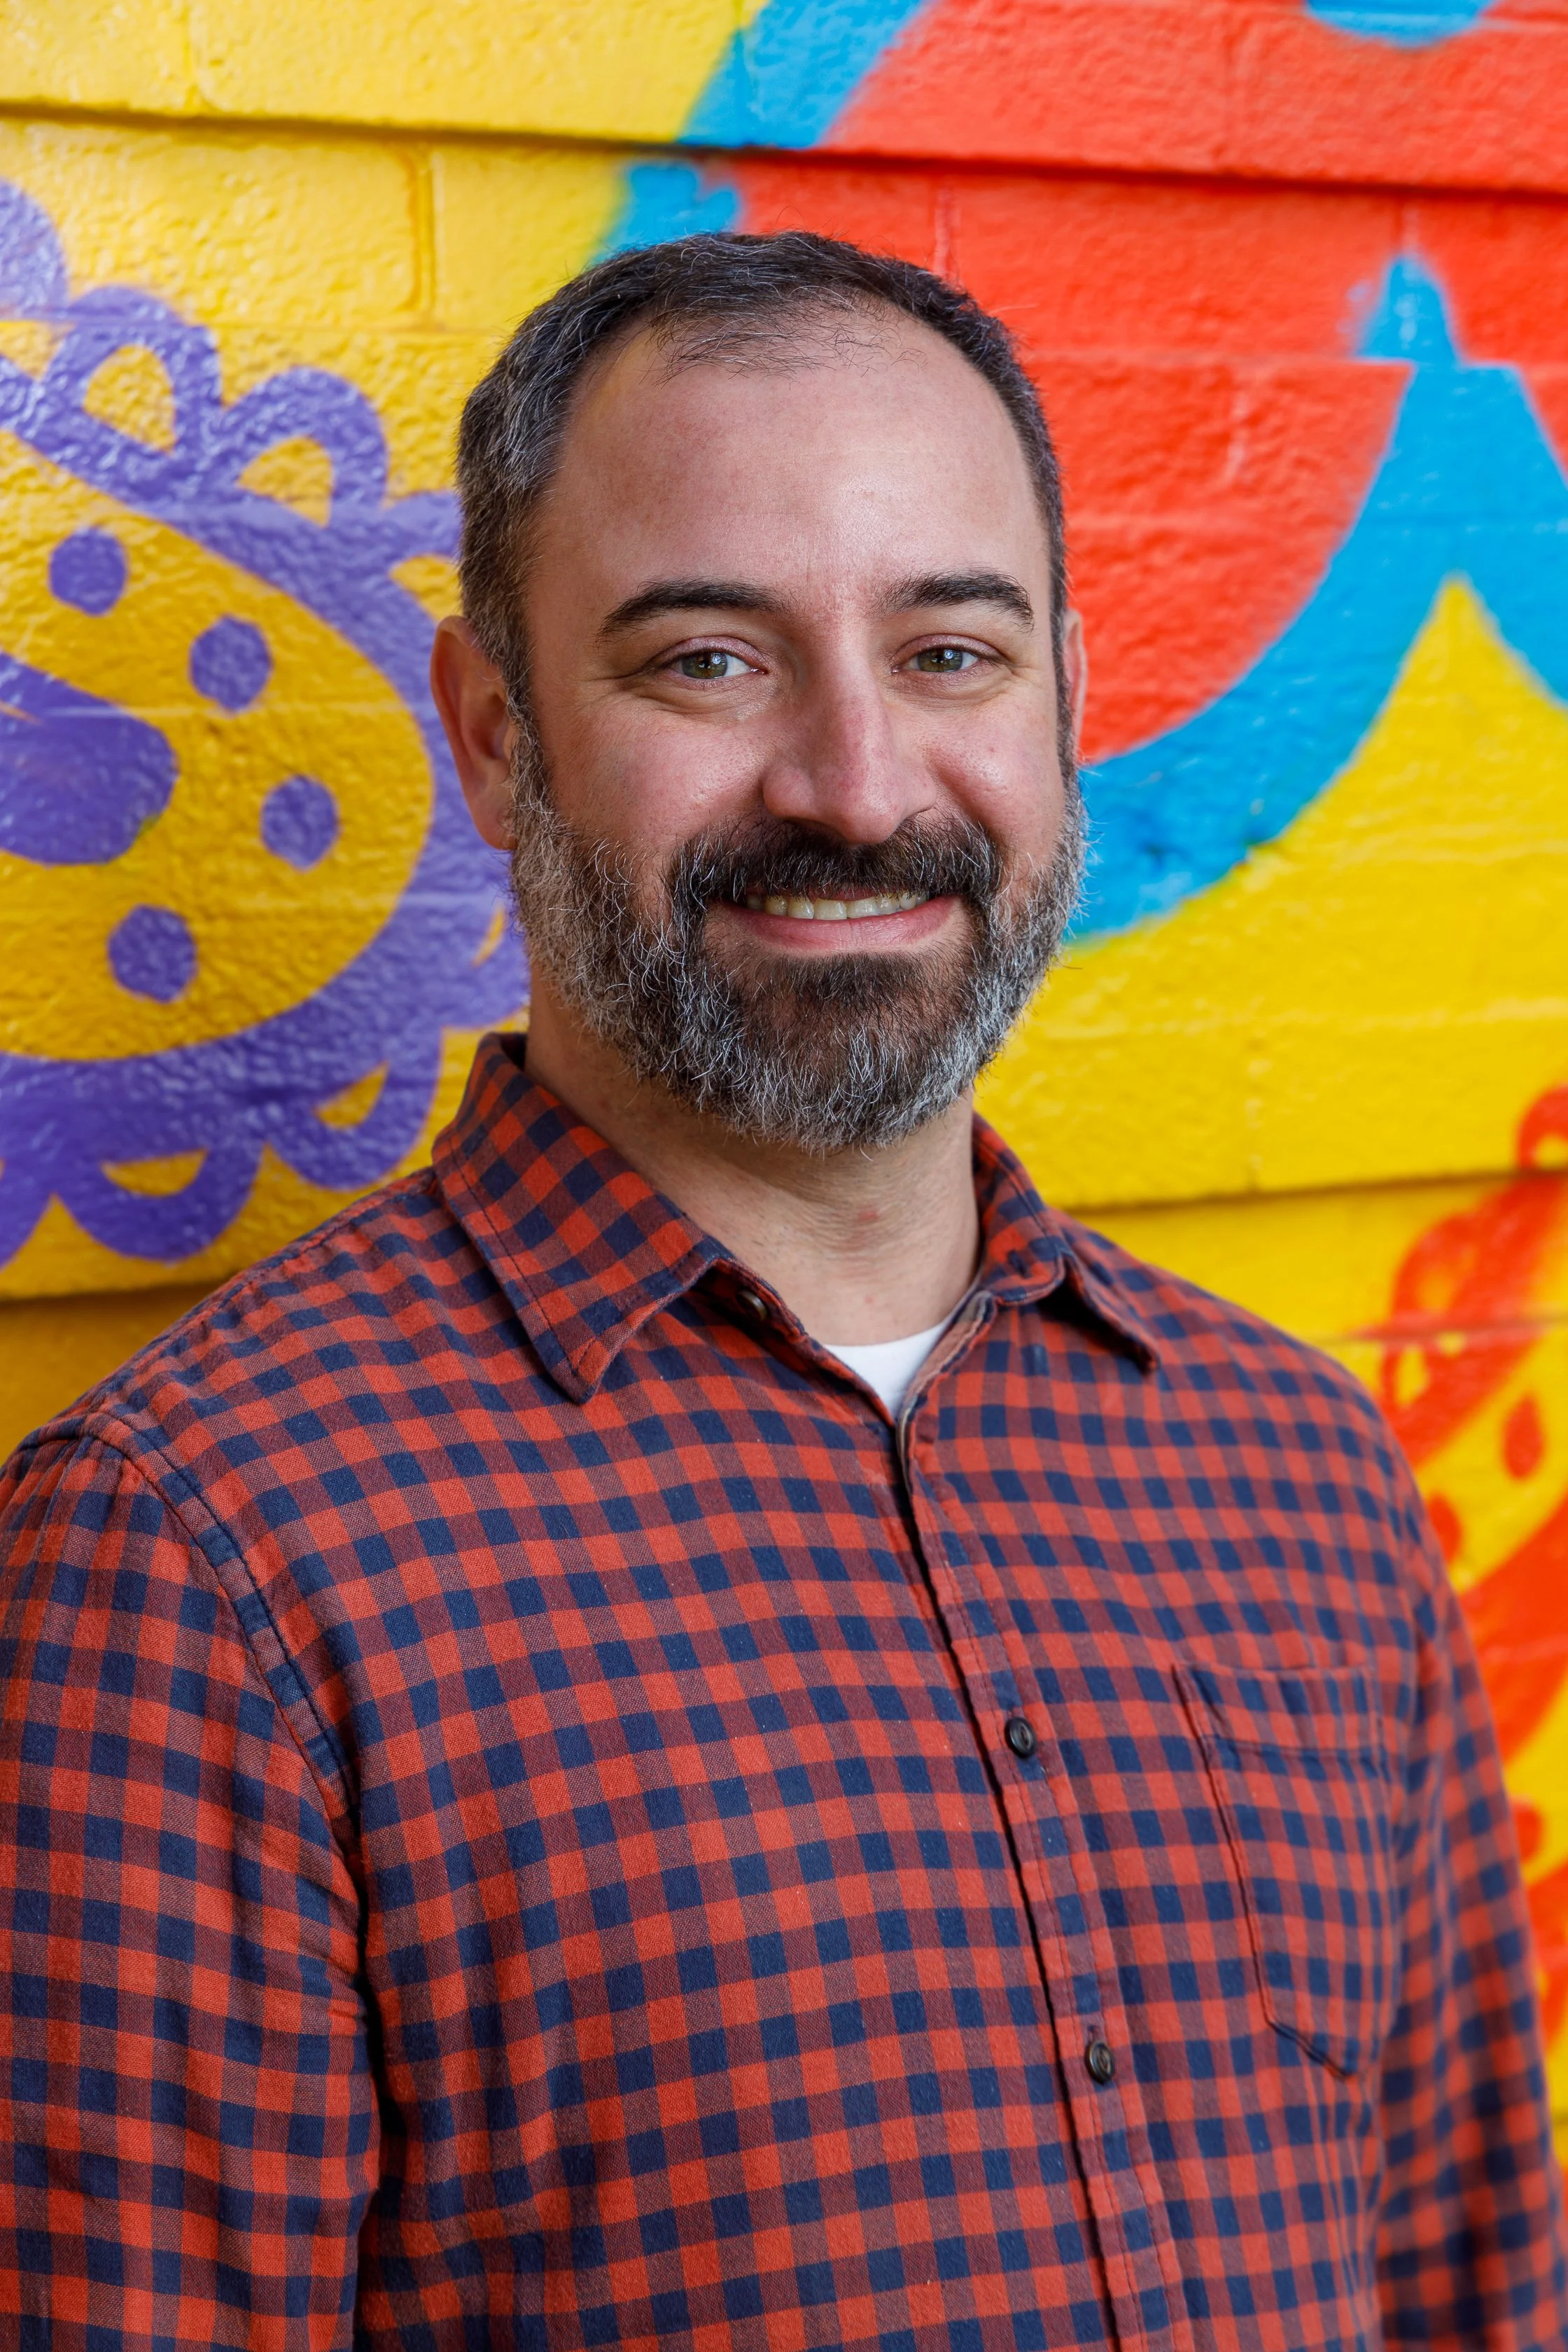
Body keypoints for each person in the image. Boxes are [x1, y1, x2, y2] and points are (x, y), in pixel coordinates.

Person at [0, 231, 1562, 2352]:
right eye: (711, 661)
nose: (858, 782)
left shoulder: (1300, 1477)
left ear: (1067, 702)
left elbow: (1476, 2287)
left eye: (952, 652)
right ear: (496, 735)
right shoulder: (203, 1558)